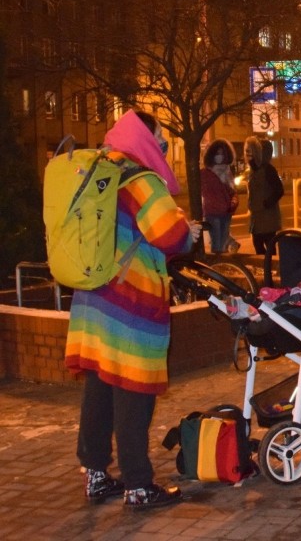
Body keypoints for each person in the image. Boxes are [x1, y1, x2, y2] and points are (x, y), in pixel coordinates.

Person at [64, 110, 200, 509]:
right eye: (159, 139)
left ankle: (95, 474)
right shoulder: (139, 179)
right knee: (134, 390)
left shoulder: (97, 170)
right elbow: (170, 234)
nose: (161, 147)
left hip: (92, 297)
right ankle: (138, 484)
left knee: (100, 386)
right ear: (144, 140)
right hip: (130, 302)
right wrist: (187, 233)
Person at [245, 136, 283, 255]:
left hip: (267, 216)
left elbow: (279, 190)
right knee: (258, 243)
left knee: (268, 244)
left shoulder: (268, 169)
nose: (249, 153)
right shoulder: (253, 169)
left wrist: (266, 203)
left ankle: (270, 268)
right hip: (257, 216)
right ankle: (266, 268)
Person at [200, 139, 238, 253]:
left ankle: (222, 264)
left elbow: (232, 191)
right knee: (217, 243)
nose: (219, 156)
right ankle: (216, 266)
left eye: (222, 154)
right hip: (213, 213)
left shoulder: (227, 172)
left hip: (226, 213)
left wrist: (234, 202)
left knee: (223, 243)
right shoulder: (205, 173)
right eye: (217, 154)